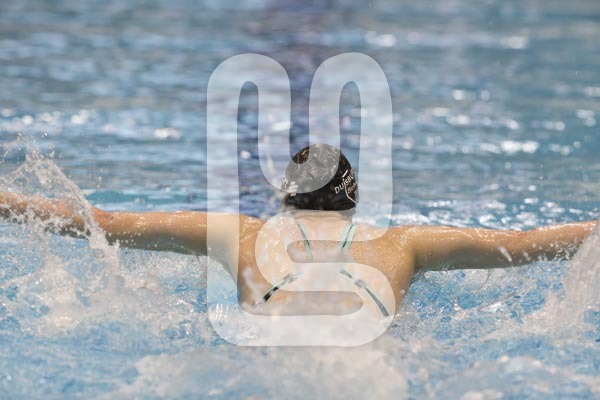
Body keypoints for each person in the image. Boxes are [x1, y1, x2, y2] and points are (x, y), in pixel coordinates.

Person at [0, 144, 596, 318]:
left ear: (285, 200)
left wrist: (9, 204)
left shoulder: (240, 233)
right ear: (354, 203)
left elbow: (105, 224)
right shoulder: (406, 243)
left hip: (272, 351)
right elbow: (531, 245)